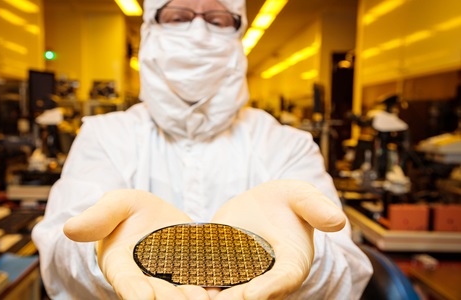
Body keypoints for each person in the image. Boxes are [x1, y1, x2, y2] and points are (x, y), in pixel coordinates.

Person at [31, 0, 373, 298]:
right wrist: (99, 252)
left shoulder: (286, 144)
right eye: (178, 16)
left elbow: (348, 270)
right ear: (150, 29)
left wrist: (303, 257)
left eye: (217, 19)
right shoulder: (104, 136)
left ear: (238, 35)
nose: (197, 32)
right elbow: (59, 256)